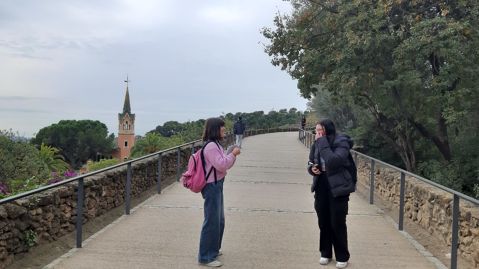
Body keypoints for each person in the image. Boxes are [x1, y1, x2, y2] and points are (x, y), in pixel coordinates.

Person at [307, 119, 355, 269]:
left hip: (338, 186)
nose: (317, 133)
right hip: (321, 184)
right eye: (316, 131)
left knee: (337, 221)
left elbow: (334, 161)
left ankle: (342, 255)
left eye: (319, 130)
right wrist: (312, 169)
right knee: (323, 221)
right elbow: (310, 161)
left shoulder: (342, 142)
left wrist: (322, 142)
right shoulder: (316, 144)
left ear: (327, 130)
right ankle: (325, 252)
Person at [198, 117, 241, 267]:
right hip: (211, 186)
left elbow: (223, 161)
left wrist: (230, 153)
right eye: (222, 129)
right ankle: (205, 256)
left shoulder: (216, 144)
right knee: (211, 221)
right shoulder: (210, 146)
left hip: (217, 184)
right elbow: (222, 165)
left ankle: (214, 249)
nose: (225, 131)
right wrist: (233, 154)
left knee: (219, 220)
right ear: (215, 130)